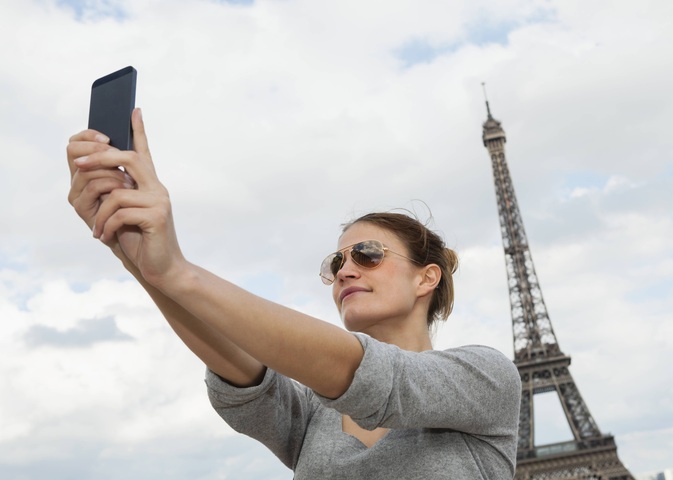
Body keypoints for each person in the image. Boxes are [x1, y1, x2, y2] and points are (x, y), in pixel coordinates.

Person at [66, 108, 521, 479]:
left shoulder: (485, 379)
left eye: (366, 253)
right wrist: (141, 264)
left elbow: (366, 373)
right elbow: (242, 373)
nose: (346, 269)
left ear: (427, 278)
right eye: (336, 262)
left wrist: (178, 271)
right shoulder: (315, 415)